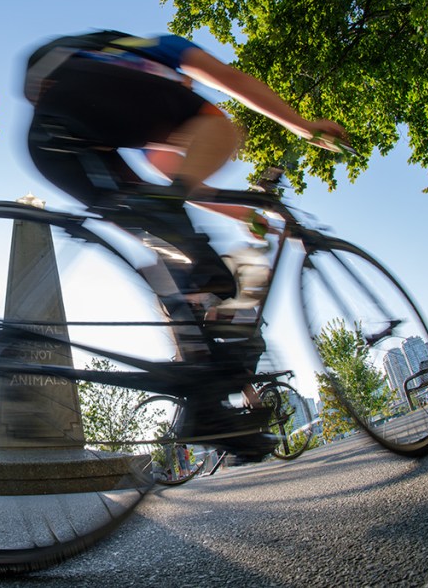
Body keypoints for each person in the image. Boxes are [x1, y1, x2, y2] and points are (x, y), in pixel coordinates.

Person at [24, 30, 348, 461]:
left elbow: (187, 190)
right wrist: (302, 126)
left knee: (185, 257)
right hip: (79, 89)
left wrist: (248, 215)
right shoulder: (159, 53)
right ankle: (206, 363)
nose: (186, 93)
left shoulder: (141, 120)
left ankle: (204, 406)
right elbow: (231, 80)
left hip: (51, 145)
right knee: (221, 128)